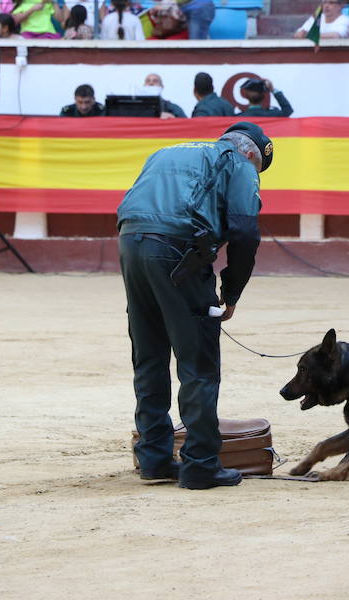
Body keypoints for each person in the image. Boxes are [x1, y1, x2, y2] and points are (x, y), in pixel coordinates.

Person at [116, 121, 273, 490]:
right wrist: (231, 293)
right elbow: (245, 233)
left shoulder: (166, 152)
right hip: (178, 252)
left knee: (150, 355)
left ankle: (153, 459)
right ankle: (201, 464)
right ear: (252, 153)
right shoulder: (239, 163)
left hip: (130, 244)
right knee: (198, 361)